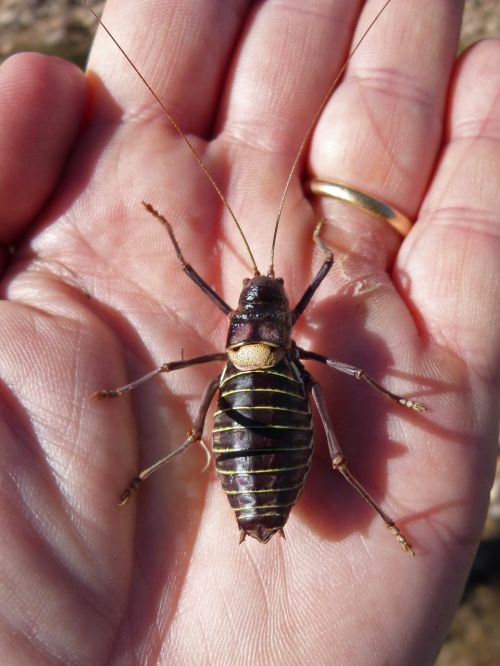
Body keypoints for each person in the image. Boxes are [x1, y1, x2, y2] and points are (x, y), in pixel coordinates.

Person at [0, 1, 498, 663]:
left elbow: (215, 269)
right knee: (309, 410)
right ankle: (368, 511)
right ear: (278, 314)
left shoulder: (252, 340)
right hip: (274, 405)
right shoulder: (299, 341)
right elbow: (322, 275)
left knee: (210, 396)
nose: (264, 289)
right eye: (268, 295)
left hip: (252, 410)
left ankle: (159, 476)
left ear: (244, 312)